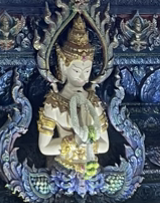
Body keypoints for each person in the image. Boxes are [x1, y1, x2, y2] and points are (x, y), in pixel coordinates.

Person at [37, 16, 110, 178]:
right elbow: (45, 147)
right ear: (63, 65)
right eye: (77, 70)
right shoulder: (54, 104)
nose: (83, 76)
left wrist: (87, 145)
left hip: (93, 168)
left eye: (87, 70)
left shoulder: (93, 102)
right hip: (61, 168)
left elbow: (105, 145)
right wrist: (74, 141)